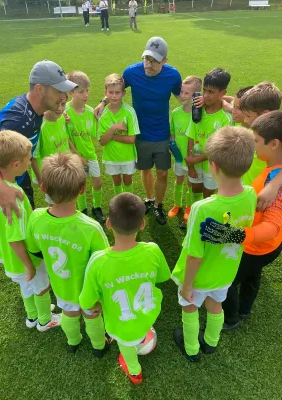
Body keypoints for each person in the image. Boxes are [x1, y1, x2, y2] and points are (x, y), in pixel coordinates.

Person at [172, 126, 256, 362]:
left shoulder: (203, 208)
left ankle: (191, 349)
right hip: (226, 272)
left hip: (199, 276)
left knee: (189, 308)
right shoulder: (250, 194)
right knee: (216, 304)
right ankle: (210, 343)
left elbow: (194, 254)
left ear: (213, 166)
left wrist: (187, 285)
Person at [200, 111, 282, 330]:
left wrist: (235, 235)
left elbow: (272, 227)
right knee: (252, 276)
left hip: (257, 246)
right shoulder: (275, 173)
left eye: (256, 141)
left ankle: (231, 319)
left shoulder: (276, 186)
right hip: (267, 247)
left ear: (274, 144)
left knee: (229, 283)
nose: (253, 146)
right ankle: (245, 309)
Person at [79, 193, 171, 384]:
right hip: (147, 315)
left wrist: (98, 305)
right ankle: (142, 336)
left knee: (126, 344)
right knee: (136, 330)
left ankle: (134, 371)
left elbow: (86, 302)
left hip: (120, 324)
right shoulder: (153, 250)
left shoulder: (98, 261)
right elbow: (163, 277)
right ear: (143, 224)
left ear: (109, 224)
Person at [26, 152, 110, 354]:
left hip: (61, 286)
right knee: (92, 315)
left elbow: (34, 251)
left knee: (69, 312)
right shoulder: (91, 228)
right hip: (88, 290)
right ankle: (99, 346)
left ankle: (73, 342)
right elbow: (104, 264)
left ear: (44, 188)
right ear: (82, 189)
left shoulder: (36, 218)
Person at [94, 37, 182, 225]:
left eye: (154, 61)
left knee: (163, 172)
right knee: (145, 169)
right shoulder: (131, 72)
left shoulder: (173, 76)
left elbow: (183, 99)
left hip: (162, 133)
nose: (148, 65)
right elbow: (115, 89)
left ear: (165, 60)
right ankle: (149, 199)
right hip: (140, 133)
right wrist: (103, 103)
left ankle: (158, 206)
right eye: (146, 59)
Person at [0, 130, 61, 331]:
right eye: (28, 159)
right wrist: (30, 264)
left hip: (6, 256)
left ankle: (32, 316)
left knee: (25, 286)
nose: (30, 163)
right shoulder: (15, 196)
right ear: (16, 164)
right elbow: (16, 238)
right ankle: (45, 320)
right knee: (41, 285)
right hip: (23, 256)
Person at [0, 60, 76, 221]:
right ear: (39, 89)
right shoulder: (19, 119)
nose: (63, 96)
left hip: (18, 174)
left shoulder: (36, 109)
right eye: (58, 90)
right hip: (1, 182)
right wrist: (1, 189)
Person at [185, 67, 233, 200]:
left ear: (222, 93)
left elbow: (221, 150)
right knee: (195, 190)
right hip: (195, 164)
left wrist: (196, 159)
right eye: (204, 90)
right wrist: (191, 165)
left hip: (213, 167)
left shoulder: (225, 119)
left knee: (208, 195)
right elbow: (191, 137)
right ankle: (193, 214)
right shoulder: (198, 110)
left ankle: (204, 219)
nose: (205, 95)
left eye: (211, 92)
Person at [66, 71, 105, 223]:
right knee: (80, 184)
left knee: (98, 182)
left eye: (87, 90)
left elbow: (98, 134)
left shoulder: (90, 112)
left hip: (90, 154)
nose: (86, 94)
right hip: (75, 157)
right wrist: (77, 156)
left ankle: (97, 207)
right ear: (70, 92)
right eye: (81, 91)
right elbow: (66, 138)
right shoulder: (66, 113)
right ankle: (82, 209)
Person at [167, 75, 202, 228]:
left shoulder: (199, 114)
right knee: (178, 178)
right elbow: (173, 131)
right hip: (179, 156)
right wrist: (172, 144)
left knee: (190, 181)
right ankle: (177, 204)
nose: (182, 95)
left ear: (195, 95)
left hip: (192, 157)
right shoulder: (175, 113)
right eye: (181, 92)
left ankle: (188, 207)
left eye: (187, 93)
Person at [98, 73, 140, 196]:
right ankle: (119, 203)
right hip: (111, 157)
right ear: (106, 92)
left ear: (123, 93)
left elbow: (132, 139)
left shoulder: (130, 112)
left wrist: (111, 136)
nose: (114, 96)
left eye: (117, 92)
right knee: (116, 182)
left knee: (128, 181)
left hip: (127, 156)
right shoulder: (103, 114)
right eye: (111, 92)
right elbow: (102, 142)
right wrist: (113, 128)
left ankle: (129, 203)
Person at [240, 82, 282, 186]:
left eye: (248, 116)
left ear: (265, 115)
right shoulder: (252, 133)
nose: (245, 120)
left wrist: (274, 185)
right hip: (248, 193)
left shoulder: (277, 141)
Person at [32, 98, 71, 205]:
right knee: (55, 204)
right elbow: (33, 157)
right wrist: (41, 180)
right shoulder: (40, 127)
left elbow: (65, 138)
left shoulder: (62, 117)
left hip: (64, 170)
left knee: (67, 200)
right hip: (49, 175)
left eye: (63, 104)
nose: (60, 109)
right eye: (56, 104)